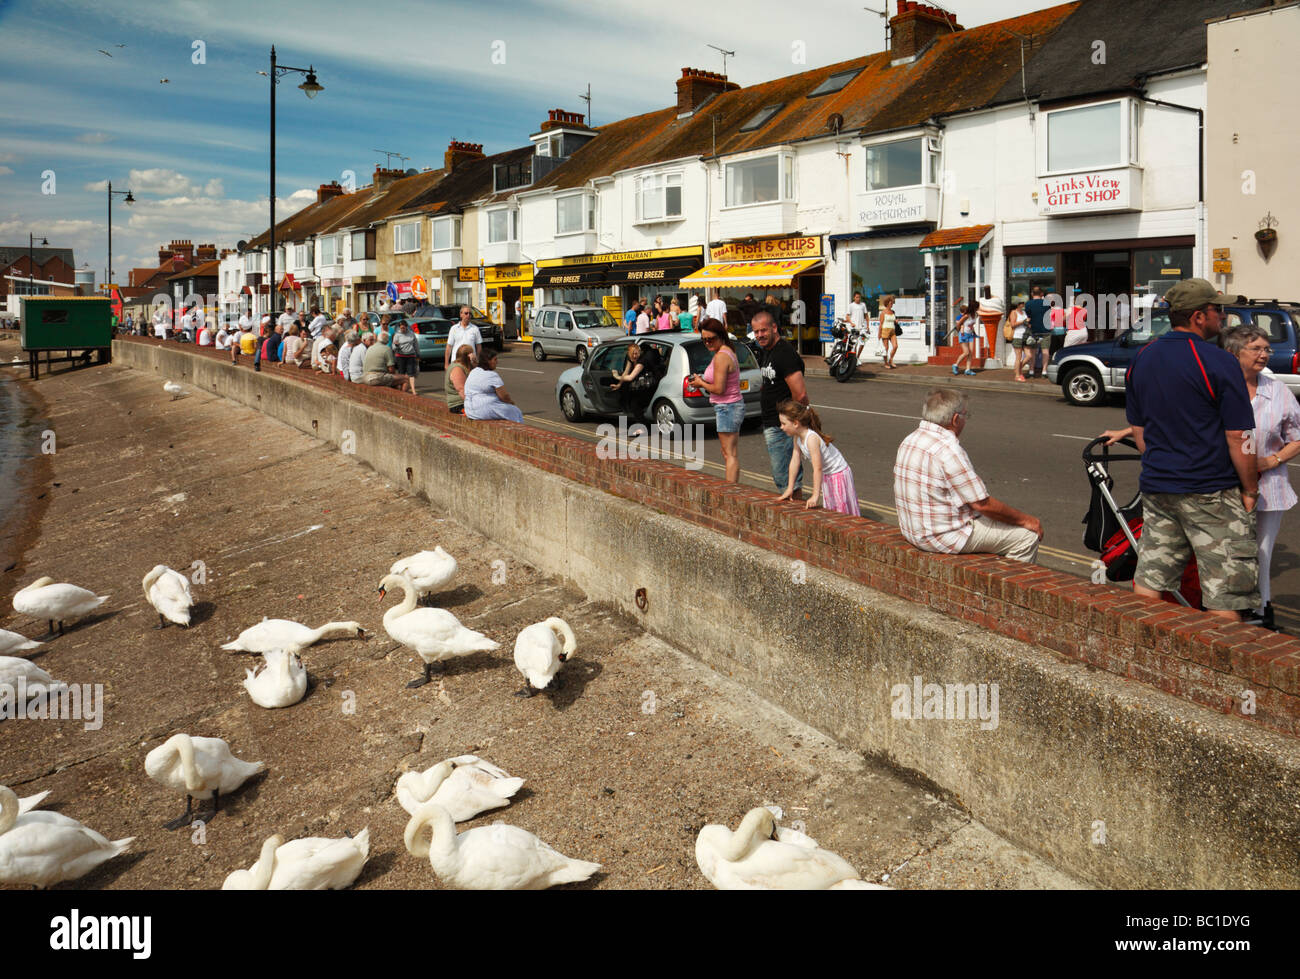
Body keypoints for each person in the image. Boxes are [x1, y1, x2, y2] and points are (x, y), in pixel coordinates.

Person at [1125, 278, 1258, 621]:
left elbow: (1141, 431)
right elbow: (1238, 435)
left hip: (1158, 487)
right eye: (1219, 310)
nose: (1224, 317)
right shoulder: (1218, 361)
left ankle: (1145, 654)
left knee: (1152, 577)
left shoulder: (1143, 357)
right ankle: (1220, 671)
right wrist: (1250, 488)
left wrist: (1163, 463)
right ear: (1199, 317)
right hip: (1209, 489)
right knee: (1225, 592)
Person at [894, 388, 1043, 562]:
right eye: (966, 415)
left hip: (913, 530)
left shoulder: (911, 439)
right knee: (1026, 538)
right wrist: (1028, 520)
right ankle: (1005, 586)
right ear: (956, 419)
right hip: (940, 536)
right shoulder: (948, 450)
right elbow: (982, 504)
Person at [751, 311, 809, 493]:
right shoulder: (768, 351)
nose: (760, 335)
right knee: (783, 476)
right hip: (772, 422)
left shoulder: (784, 353)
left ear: (774, 328)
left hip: (782, 425)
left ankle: (795, 512)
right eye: (756, 332)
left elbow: (800, 395)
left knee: (786, 477)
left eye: (763, 330)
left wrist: (793, 423)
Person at [777, 400, 859, 515]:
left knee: (840, 512)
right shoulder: (797, 437)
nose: (781, 427)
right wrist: (790, 488)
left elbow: (817, 468)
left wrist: (815, 495)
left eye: (783, 424)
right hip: (828, 474)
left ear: (795, 423)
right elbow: (795, 461)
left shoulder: (811, 439)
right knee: (831, 508)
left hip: (838, 473)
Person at [686, 318, 742, 482]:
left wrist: (700, 383)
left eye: (711, 339)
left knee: (729, 454)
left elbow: (719, 389)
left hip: (727, 406)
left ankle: (730, 493)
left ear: (721, 336)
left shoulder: (721, 356)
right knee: (729, 452)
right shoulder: (725, 352)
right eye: (704, 340)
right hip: (729, 406)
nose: (707, 343)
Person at [464, 347, 524, 422]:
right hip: (484, 410)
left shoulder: (473, 372)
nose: (497, 362)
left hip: (469, 410)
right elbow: (504, 397)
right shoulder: (492, 375)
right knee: (515, 411)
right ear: (487, 361)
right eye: (495, 359)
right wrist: (511, 403)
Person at [1025, 285, 1051, 378]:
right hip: (1045, 330)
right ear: (1042, 294)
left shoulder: (1028, 304)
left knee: (1032, 352)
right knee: (1045, 351)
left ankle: (1031, 371)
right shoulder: (1047, 303)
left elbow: (1027, 317)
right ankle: (1044, 372)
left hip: (1033, 331)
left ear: (1032, 294)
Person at [391, 321, 419, 395]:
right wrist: (396, 346)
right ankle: (401, 390)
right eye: (401, 328)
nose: (402, 329)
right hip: (401, 356)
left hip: (411, 355)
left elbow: (416, 344)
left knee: (411, 374)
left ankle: (413, 390)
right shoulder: (397, 335)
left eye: (403, 328)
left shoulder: (411, 334)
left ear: (406, 327)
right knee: (401, 374)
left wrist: (418, 354)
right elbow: (393, 347)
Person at [952, 301, 978, 376]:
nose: (978, 309)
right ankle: (955, 365)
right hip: (964, 334)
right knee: (966, 352)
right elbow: (958, 324)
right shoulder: (966, 316)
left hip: (970, 334)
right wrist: (960, 331)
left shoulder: (976, 315)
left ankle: (968, 369)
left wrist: (974, 332)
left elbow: (972, 325)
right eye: (977, 308)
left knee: (970, 353)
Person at [1009, 301, 1033, 382]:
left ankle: (1017, 369)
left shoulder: (1024, 312)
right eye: (1022, 304)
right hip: (1017, 336)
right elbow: (1012, 324)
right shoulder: (1014, 312)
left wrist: (1029, 323)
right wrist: (1023, 321)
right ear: (1018, 305)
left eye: (1024, 304)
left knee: (1029, 355)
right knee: (1018, 357)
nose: (1023, 306)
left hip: (1025, 336)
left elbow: (1027, 323)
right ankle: (1017, 375)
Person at [446, 345, 473, 414]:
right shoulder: (457, 369)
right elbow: (461, 390)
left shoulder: (464, 365)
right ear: (467, 356)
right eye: (472, 353)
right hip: (459, 404)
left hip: (464, 402)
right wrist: (473, 405)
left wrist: (474, 361)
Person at [878, 294, 899, 370]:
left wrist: (896, 321)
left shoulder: (893, 312)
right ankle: (886, 363)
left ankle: (890, 360)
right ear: (887, 303)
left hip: (892, 330)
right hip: (885, 330)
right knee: (886, 348)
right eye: (890, 303)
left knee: (895, 346)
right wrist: (879, 333)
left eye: (892, 303)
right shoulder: (883, 313)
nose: (892, 304)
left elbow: (893, 320)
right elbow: (881, 323)